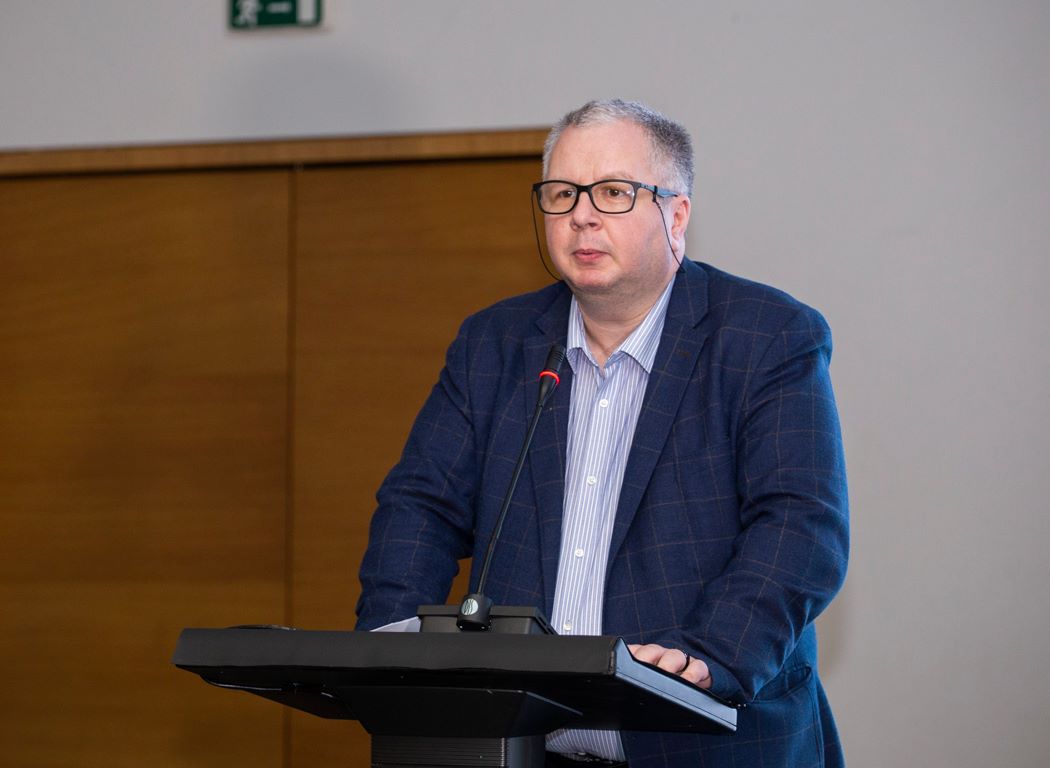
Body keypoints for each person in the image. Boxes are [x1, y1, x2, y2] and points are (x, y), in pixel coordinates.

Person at [356, 99, 849, 767]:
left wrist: (712, 657)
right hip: (522, 746)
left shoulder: (766, 336)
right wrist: (390, 646)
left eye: (613, 192)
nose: (581, 215)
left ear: (676, 216)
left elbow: (801, 525)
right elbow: (421, 505)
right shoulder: (494, 344)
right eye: (562, 194)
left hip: (709, 741)